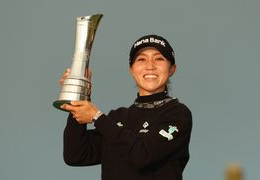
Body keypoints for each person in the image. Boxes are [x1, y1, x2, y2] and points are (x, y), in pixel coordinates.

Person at [60, 34, 193, 180]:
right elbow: (76, 155)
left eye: (159, 58)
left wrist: (97, 117)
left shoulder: (178, 114)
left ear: (172, 69)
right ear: (131, 69)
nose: (150, 66)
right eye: (141, 59)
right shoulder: (117, 117)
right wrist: (80, 94)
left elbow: (143, 155)